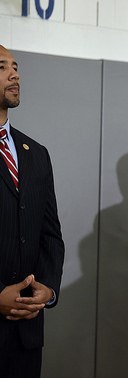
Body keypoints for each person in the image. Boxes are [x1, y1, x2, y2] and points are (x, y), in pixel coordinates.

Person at [0, 45, 65, 378]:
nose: (15, 74)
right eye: (2, 67)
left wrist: (47, 289)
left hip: (27, 334)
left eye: (16, 67)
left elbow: (51, 235)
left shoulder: (36, 153)